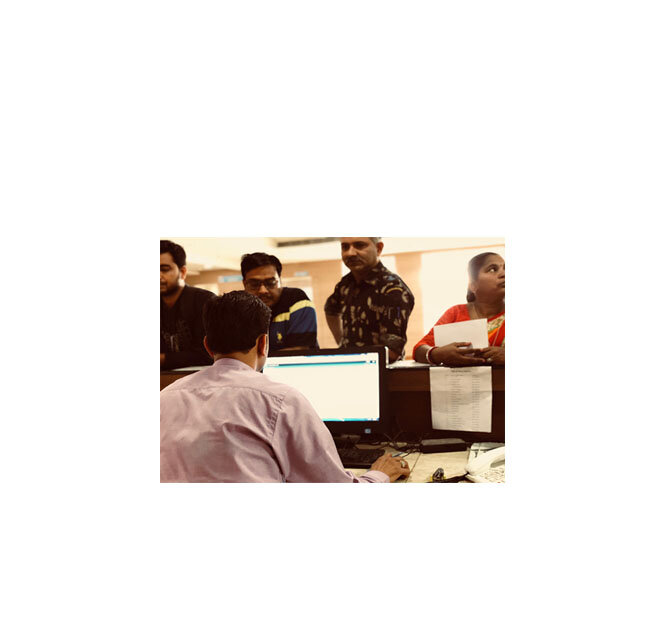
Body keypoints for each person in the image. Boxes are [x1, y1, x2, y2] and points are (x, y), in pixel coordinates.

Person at [160, 291, 410, 483]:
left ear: (207, 346)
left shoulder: (164, 398)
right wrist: (379, 474)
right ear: (263, 343)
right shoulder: (280, 400)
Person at [324, 237, 414, 362]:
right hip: (349, 365)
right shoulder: (345, 284)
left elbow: (392, 352)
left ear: (378, 248)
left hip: (380, 369)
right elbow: (330, 309)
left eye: (359, 245)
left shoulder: (393, 289)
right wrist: (342, 343)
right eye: (345, 247)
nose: (350, 253)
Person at [413, 252, 505, 367]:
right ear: (473, 285)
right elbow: (419, 349)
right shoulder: (456, 313)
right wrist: (438, 354)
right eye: (492, 269)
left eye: (506, 268)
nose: (504, 273)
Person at [241, 252, 318, 353]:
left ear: (280, 281)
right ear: (244, 284)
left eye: (270, 283)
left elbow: (299, 352)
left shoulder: (297, 301)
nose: (263, 290)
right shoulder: (238, 308)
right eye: (254, 284)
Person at [160, 239, 215, 370]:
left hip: (204, 378)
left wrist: (162, 359)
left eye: (164, 269)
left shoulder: (206, 301)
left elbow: (210, 354)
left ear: (183, 272)